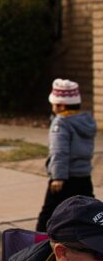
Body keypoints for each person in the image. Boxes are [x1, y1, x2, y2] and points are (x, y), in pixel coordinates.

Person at [36, 79, 97, 232]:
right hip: (83, 176)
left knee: (48, 214)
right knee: (88, 212)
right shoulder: (86, 121)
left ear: (61, 105)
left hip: (65, 178)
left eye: (53, 104)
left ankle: (36, 246)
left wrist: (58, 177)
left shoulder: (61, 123)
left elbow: (59, 151)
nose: (52, 107)